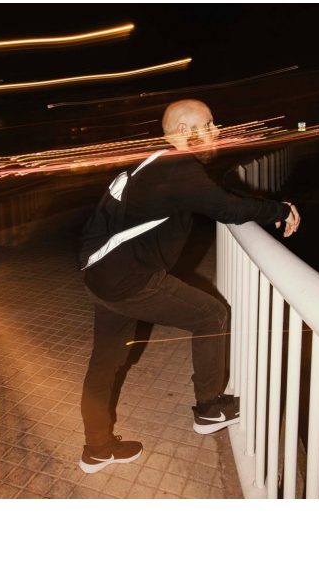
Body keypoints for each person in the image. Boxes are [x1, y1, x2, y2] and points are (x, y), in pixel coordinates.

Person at [78, 99, 300, 473]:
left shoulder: (154, 162)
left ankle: (96, 448)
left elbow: (217, 199)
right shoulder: (176, 168)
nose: (217, 131)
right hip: (130, 280)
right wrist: (281, 210)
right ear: (184, 131)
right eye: (209, 124)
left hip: (99, 273)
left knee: (105, 362)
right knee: (212, 316)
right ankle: (209, 408)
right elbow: (228, 209)